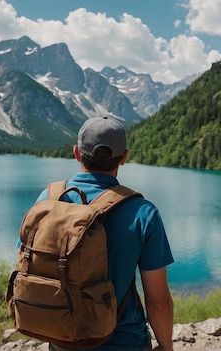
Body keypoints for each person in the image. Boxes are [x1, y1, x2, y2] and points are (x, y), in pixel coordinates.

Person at [35, 116, 175, 351]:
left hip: (63, 341)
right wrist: (167, 347)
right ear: (124, 157)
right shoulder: (143, 213)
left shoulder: (49, 200)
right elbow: (158, 301)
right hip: (126, 343)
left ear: (76, 153)